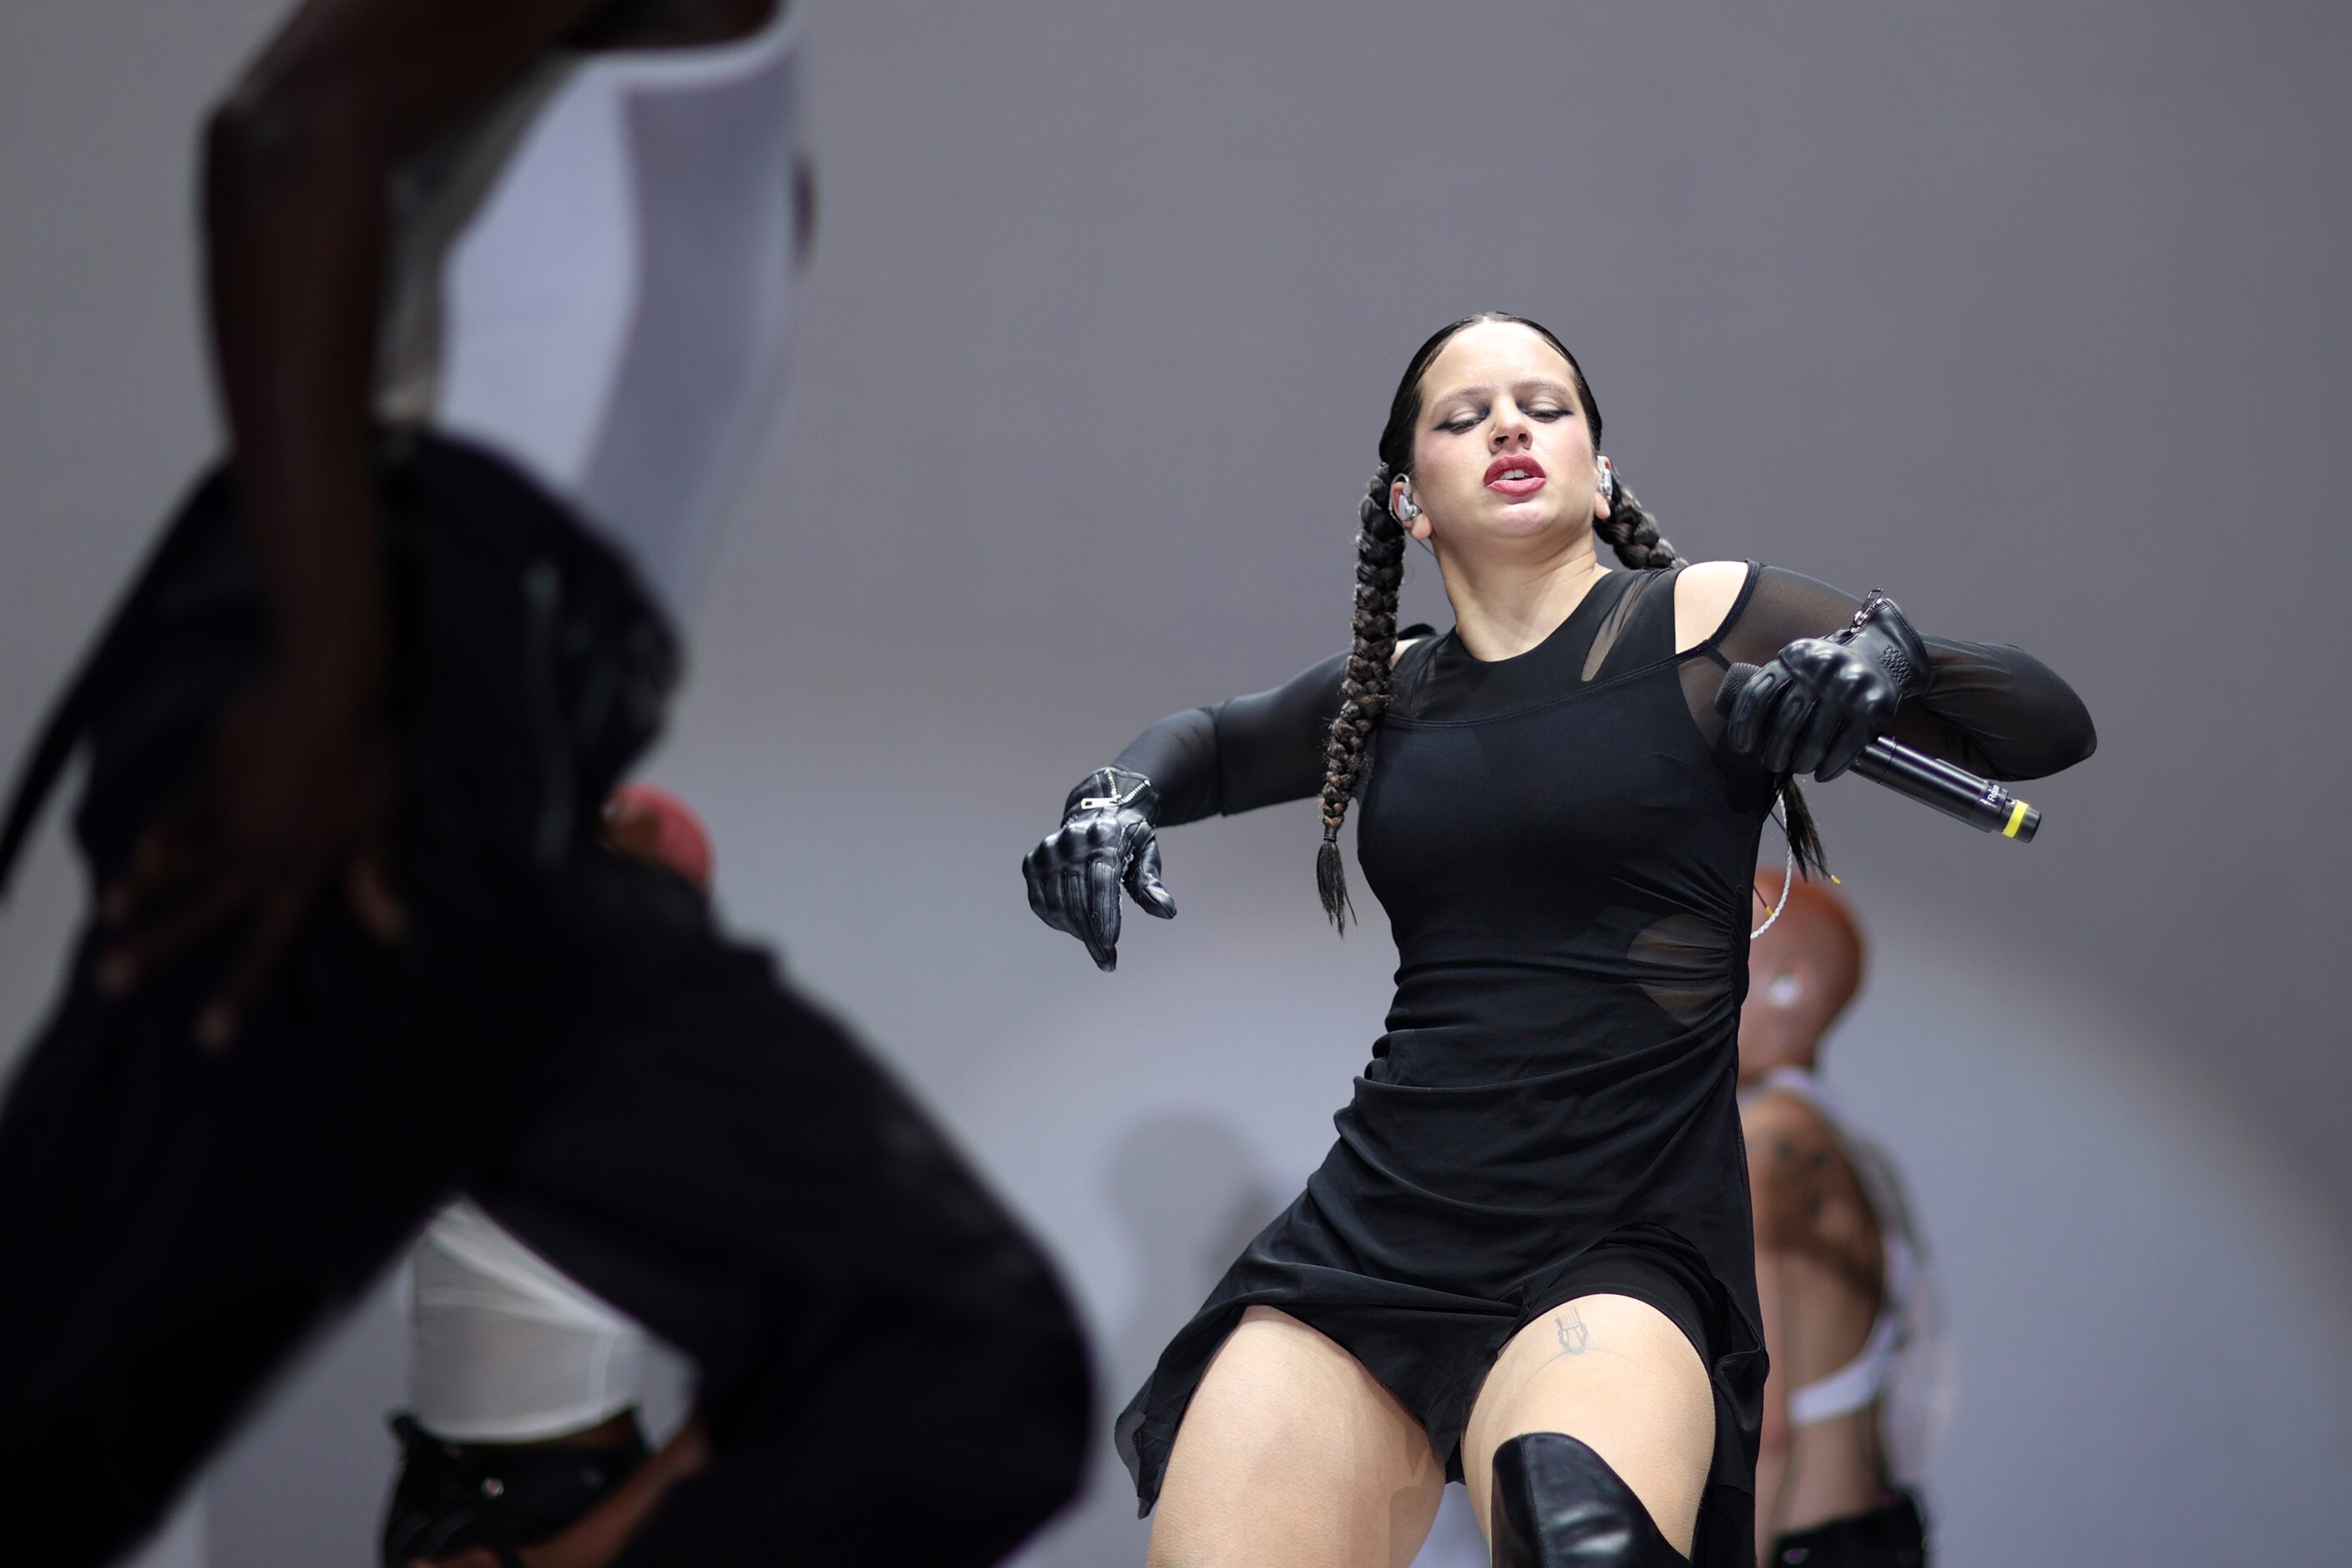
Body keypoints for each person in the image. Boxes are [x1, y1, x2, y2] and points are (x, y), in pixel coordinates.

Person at [0, 3, 1089, 1564]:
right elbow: (286, 136)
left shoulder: (739, 110)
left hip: (494, 775)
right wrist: (324, 679)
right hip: (377, 759)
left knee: (958, 1361)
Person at [1021, 311, 2094, 1567]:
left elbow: (2048, 725)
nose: (1510, 428)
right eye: (1462, 417)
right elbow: (1206, 738)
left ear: (1597, 468)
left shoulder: (1709, 622)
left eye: (1545, 406)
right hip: (1376, 1232)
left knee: (1571, 1521)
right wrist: (1112, 798)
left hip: (1618, 1240)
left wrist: (1892, 649)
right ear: (1409, 499)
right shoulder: (1391, 696)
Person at [384, 785, 713, 1568]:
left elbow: (778, 1392)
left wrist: (542, 1563)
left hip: (560, 1511)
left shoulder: (675, 1108)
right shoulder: (476, 1056)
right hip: (439, 1489)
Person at [1739, 871, 1945, 1568]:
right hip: (1876, 1531)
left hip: (1801, 1543)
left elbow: (1763, 1429)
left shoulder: (1767, 1150)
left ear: (1787, 986)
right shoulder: (1851, 1154)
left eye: (1703, 952)